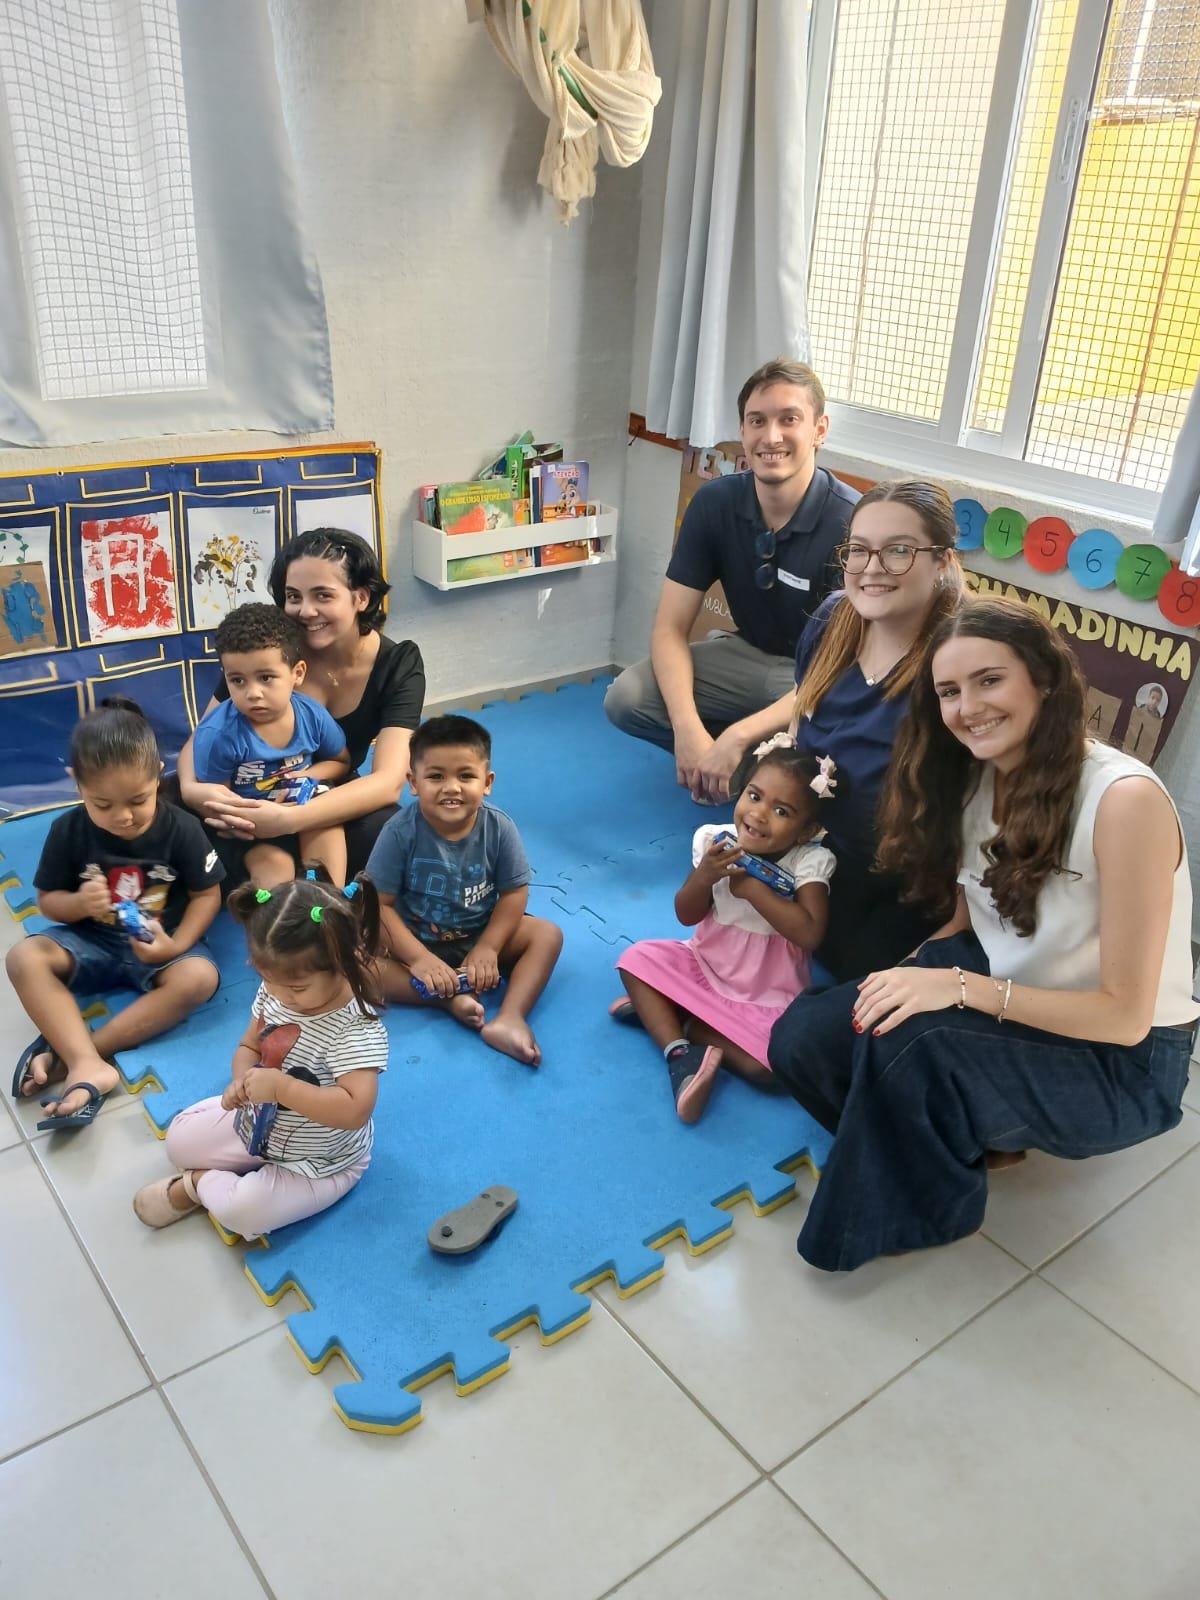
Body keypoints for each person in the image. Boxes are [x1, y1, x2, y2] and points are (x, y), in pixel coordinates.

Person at [768, 598, 1198, 1273]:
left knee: (912, 1045)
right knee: (804, 1037)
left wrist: (958, 987)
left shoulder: (1124, 800)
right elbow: (975, 912)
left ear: (1044, 681)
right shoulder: (973, 774)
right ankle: (961, 1138)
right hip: (1012, 983)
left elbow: (1124, 1017)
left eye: (989, 680)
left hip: (1124, 1059)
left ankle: (932, 1204)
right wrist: (914, 969)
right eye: (949, 691)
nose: (968, 707)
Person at [684, 480, 965, 979]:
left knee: (839, 983)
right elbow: (803, 710)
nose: (872, 568)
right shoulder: (835, 618)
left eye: (899, 550)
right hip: (811, 846)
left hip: (897, 877)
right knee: (726, 911)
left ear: (941, 560)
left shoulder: (957, 660)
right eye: (858, 550)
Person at [605, 358, 859, 802]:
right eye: (757, 421)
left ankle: (754, 773)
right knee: (626, 697)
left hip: (817, 680)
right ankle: (744, 778)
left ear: (819, 430)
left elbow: (838, 672)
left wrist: (737, 736)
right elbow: (669, 629)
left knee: (843, 735)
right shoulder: (714, 503)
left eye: (789, 419)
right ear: (742, 431)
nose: (771, 437)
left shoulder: (853, 523)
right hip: (742, 655)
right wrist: (688, 731)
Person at [132, 872, 388, 1238]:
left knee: (244, 1214)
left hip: (321, 1161)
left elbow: (354, 1111)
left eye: (297, 987)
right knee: (178, 1141)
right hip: (258, 1126)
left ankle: (197, 1185)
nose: (281, 995)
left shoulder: (355, 1030)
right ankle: (223, 1175)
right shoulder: (276, 991)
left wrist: (282, 1089)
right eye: (267, 979)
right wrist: (242, 1082)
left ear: (344, 963)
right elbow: (249, 1047)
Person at [7, 699, 223, 1129]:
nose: (123, 817)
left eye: (138, 800)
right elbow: (47, 900)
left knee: (200, 978)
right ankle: (83, 1060)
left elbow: (207, 895)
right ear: (77, 785)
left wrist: (175, 946)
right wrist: (77, 905)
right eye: (102, 804)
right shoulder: (68, 830)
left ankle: (83, 1057)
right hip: (91, 940)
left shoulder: (182, 828)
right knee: (23, 957)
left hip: (160, 944)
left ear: (157, 775)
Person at [176, 528, 425, 882]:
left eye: (323, 595)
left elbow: (387, 782)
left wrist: (289, 820)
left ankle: (322, 898)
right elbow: (203, 736)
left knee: (392, 831)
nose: (306, 611)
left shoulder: (397, 664)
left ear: (361, 598)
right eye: (293, 596)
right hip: (249, 798)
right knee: (167, 818)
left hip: (324, 795)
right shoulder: (268, 654)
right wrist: (192, 789)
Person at [611, 738, 837, 1122]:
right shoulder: (713, 841)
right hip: (705, 966)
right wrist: (704, 877)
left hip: (767, 996)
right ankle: (680, 1053)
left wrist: (753, 891)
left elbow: (810, 933)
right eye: (754, 796)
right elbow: (686, 915)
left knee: (772, 1069)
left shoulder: (810, 862)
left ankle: (679, 1018)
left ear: (806, 830)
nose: (759, 815)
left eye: (781, 810)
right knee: (635, 959)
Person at [368, 714, 563, 1067]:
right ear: (413, 783)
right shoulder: (399, 832)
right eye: (436, 776)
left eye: (465, 776)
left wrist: (489, 946)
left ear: (487, 782)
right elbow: (379, 905)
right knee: (355, 966)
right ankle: (446, 998)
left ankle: (510, 1017)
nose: (452, 788)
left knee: (547, 935)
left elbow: (514, 894)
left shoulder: (499, 827)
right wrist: (418, 958)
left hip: (479, 936)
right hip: (415, 941)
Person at [192, 603, 351, 885]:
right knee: (277, 870)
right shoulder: (218, 734)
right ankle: (277, 912)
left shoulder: (312, 716)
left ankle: (329, 904)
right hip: (252, 831)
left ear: (297, 673)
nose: (253, 693)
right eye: (237, 680)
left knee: (326, 836)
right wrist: (249, 821)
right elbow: (217, 801)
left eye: (266, 678)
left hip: (303, 812)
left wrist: (306, 777)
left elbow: (340, 761)